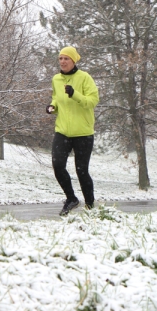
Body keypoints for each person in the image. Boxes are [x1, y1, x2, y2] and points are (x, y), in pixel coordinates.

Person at [46, 46, 99, 216]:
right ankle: (71, 199)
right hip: (62, 131)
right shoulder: (56, 79)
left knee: (81, 170)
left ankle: (90, 205)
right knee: (58, 165)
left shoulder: (84, 78)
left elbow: (92, 101)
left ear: (74, 60)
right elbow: (56, 97)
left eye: (66, 58)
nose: (62, 62)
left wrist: (75, 94)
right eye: (60, 58)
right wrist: (52, 106)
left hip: (83, 132)